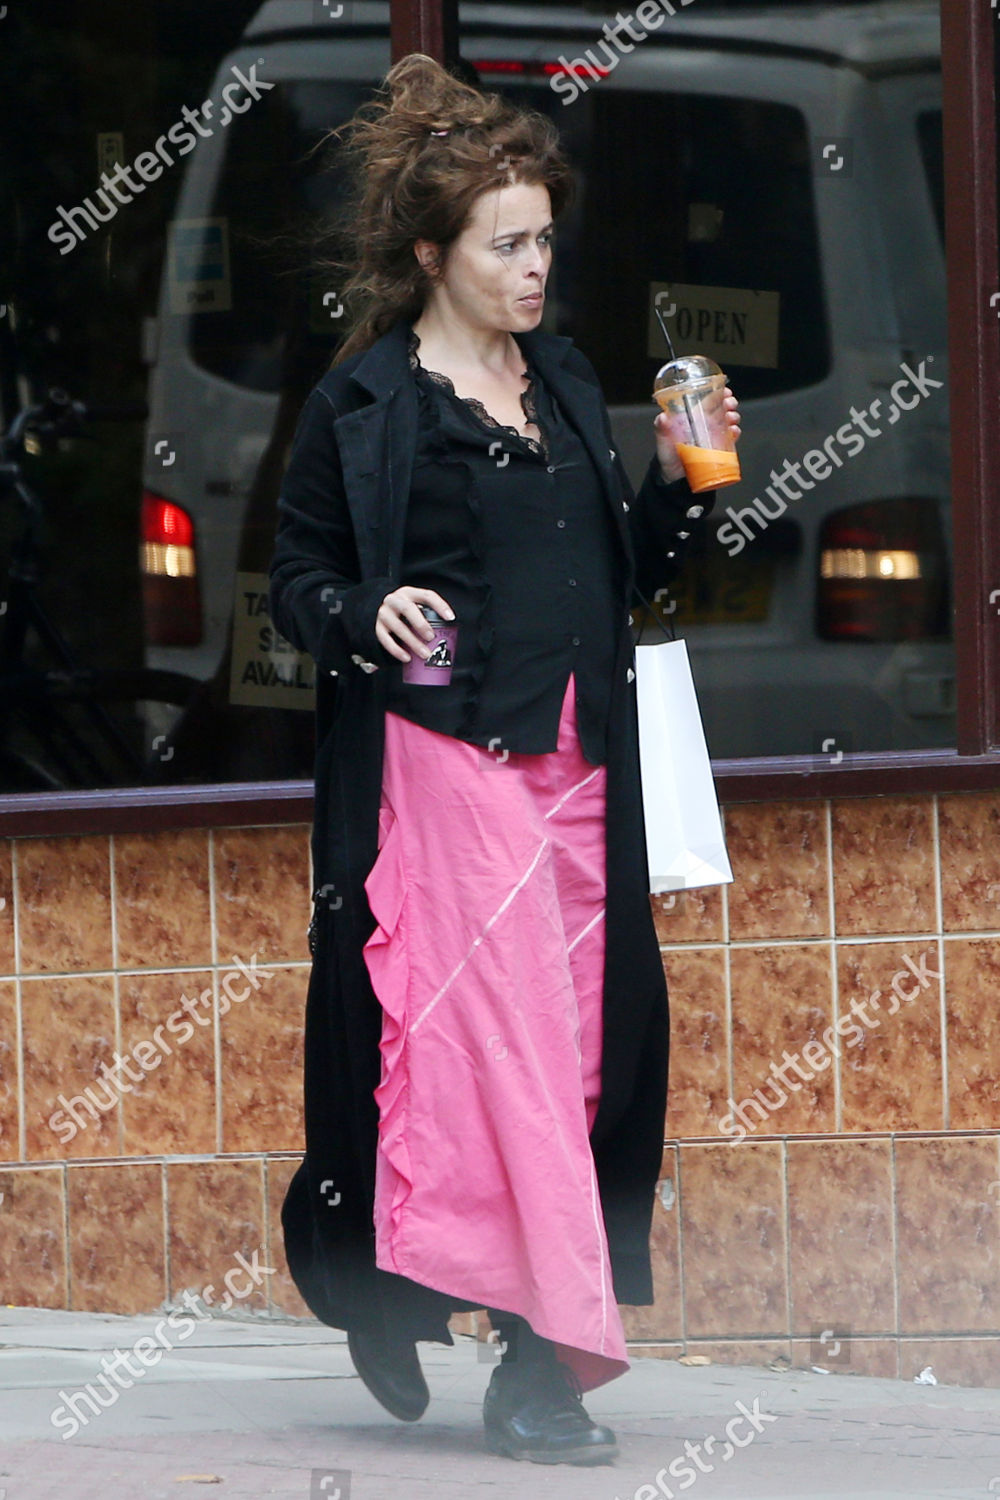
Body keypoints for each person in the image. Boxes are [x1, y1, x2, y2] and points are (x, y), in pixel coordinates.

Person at [268, 53, 740, 1467]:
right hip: (445, 762)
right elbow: (297, 579)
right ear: (435, 253)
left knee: (588, 1066)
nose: (540, 267)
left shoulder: (572, 380)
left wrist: (684, 488)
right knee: (506, 1062)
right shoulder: (364, 408)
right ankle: (537, 1370)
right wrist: (364, 610)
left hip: (588, 765)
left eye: (545, 239)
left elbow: (625, 579)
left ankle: (422, 1291)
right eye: (510, 244)